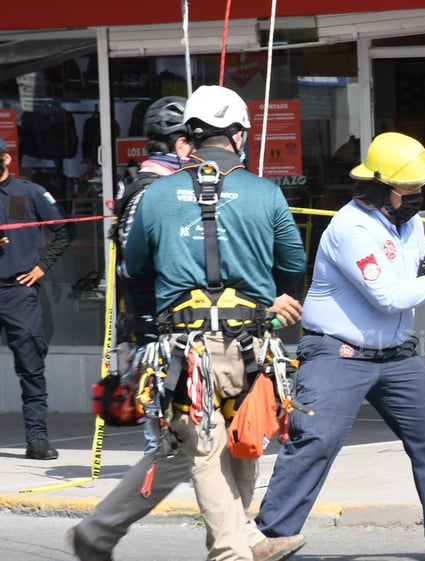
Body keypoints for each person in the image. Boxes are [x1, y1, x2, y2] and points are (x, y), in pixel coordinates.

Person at [70, 85, 308, 561]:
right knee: (207, 447)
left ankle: (103, 534)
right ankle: (231, 550)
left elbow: (133, 265)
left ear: (190, 137)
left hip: (183, 350)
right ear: (238, 135)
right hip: (250, 344)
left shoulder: (155, 195)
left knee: (210, 445)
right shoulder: (265, 192)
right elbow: (293, 265)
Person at [254, 131, 425, 551]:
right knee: (316, 441)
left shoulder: (407, 222)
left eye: (420, 187)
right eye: (410, 189)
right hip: (337, 353)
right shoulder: (351, 229)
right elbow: (389, 297)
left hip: (396, 357)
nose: (418, 195)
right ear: (380, 189)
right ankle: (269, 538)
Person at [112, 95, 191, 455]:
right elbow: (133, 262)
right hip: (155, 327)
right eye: (194, 142)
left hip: (173, 322)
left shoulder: (167, 185)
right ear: (179, 144)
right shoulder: (149, 189)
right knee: (159, 434)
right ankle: (149, 496)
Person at [0, 137, 74, 461]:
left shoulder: (28, 192)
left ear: (4, 158)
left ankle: (37, 439)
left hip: (18, 291)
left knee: (30, 368)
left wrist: (41, 267)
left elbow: (64, 230)